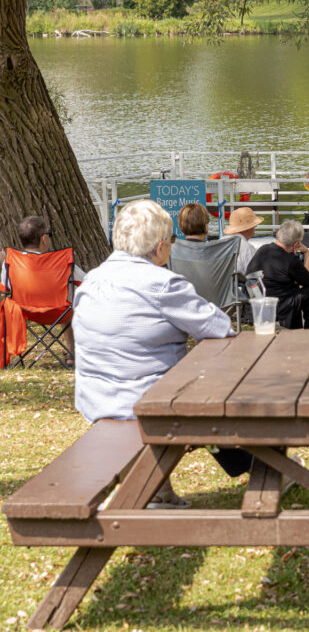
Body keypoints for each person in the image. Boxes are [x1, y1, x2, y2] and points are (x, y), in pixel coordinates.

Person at [72, 199, 248, 508]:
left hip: (96, 401)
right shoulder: (160, 283)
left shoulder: (91, 281)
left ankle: (159, 491)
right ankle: (262, 466)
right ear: (160, 247)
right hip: (146, 406)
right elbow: (220, 327)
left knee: (172, 380)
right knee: (219, 386)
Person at [0, 216, 86, 360]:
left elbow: (5, 289)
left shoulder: (11, 261)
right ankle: (72, 354)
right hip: (61, 312)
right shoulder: (63, 260)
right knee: (71, 299)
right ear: (44, 239)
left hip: (25, 312)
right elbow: (86, 281)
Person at [246, 219, 309, 329]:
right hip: (277, 307)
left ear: (278, 234)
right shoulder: (290, 260)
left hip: (256, 304)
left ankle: (295, 329)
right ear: (296, 244)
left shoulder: (263, 249)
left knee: (294, 290)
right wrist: (306, 252)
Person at [223, 206, 264, 274]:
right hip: (237, 283)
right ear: (248, 228)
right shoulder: (247, 247)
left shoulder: (220, 242)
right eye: (254, 226)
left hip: (219, 283)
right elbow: (255, 275)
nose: (254, 228)